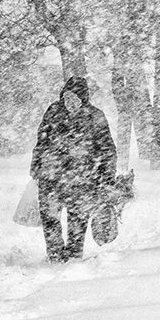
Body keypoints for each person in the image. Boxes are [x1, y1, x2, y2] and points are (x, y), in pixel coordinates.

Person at [30, 76, 117, 263]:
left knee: (78, 218)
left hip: (82, 179)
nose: (70, 102)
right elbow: (42, 140)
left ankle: (73, 256)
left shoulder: (95, 116)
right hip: (51, 176)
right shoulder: (53, 111)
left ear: (83, 98)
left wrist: (107, 178)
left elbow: (107, 149)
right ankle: (55, 255)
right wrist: (36, 167)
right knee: (49, 217)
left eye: (75, 97)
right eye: (67, 97)